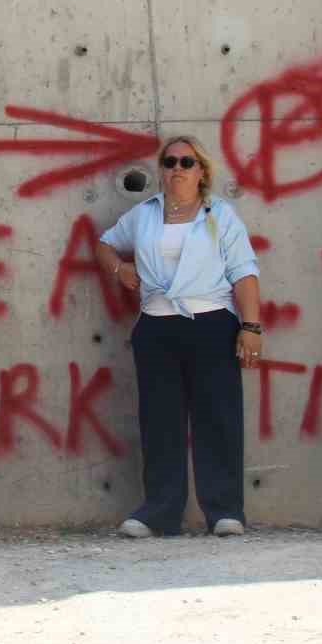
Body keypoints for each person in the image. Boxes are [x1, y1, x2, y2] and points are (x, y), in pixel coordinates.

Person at [94, 135, 262, 538]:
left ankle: (223, 511)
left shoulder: (221, 215)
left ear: (202, 170)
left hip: (211, 322)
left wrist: (251, 327)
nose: (177, 170)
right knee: (160, 420)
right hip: (157, 326)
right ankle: (159, 511)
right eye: (169, 162)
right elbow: (104, 245)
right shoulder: (144, 215)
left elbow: (244, 271)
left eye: (187, 163)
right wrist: (120, 269)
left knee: (217, 418)